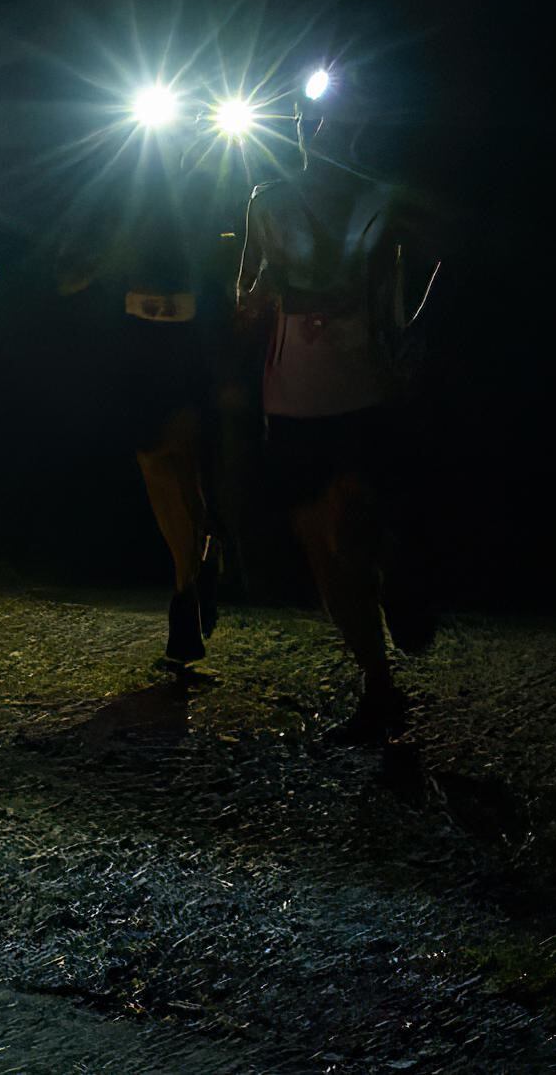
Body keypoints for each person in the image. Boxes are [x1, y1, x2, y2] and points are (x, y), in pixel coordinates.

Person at [235, 99, 441, 745]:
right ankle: (378, 683)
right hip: (293, 390)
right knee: (321, 545)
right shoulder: (266, 198)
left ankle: (403, 583)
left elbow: (442, 258)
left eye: (329, 118)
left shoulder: (381, 196)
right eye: (304, 116)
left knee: (351, 528)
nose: (313, 126)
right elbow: (244, 295)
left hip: (358, 383)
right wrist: (262, 297)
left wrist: (410, 334)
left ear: (355, 128)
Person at [55, 159, 234, 671]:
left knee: (187, 469)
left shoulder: (205, 182)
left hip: (193, 342)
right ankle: (192, 582)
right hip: (140, 348)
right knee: (160, 467)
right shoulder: (119, 185)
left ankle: (192, 584)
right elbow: (71, 270)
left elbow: (231, 260)